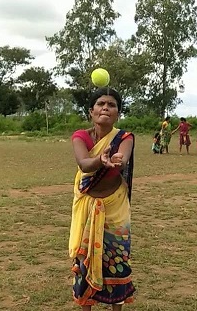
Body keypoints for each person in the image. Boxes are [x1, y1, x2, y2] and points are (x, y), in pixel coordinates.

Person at [69, 87, 135, 310]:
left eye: (112, 105)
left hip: (115, 208)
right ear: (91, 111)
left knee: (117, 261)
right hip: (87, 207)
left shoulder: (124, 137)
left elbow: (123, 159)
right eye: (101, 104)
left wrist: (117, 160)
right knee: (85, 260)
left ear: (118, 113)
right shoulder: (81, 136)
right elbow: (84, 163)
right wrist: (100, 159)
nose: (106, 107)